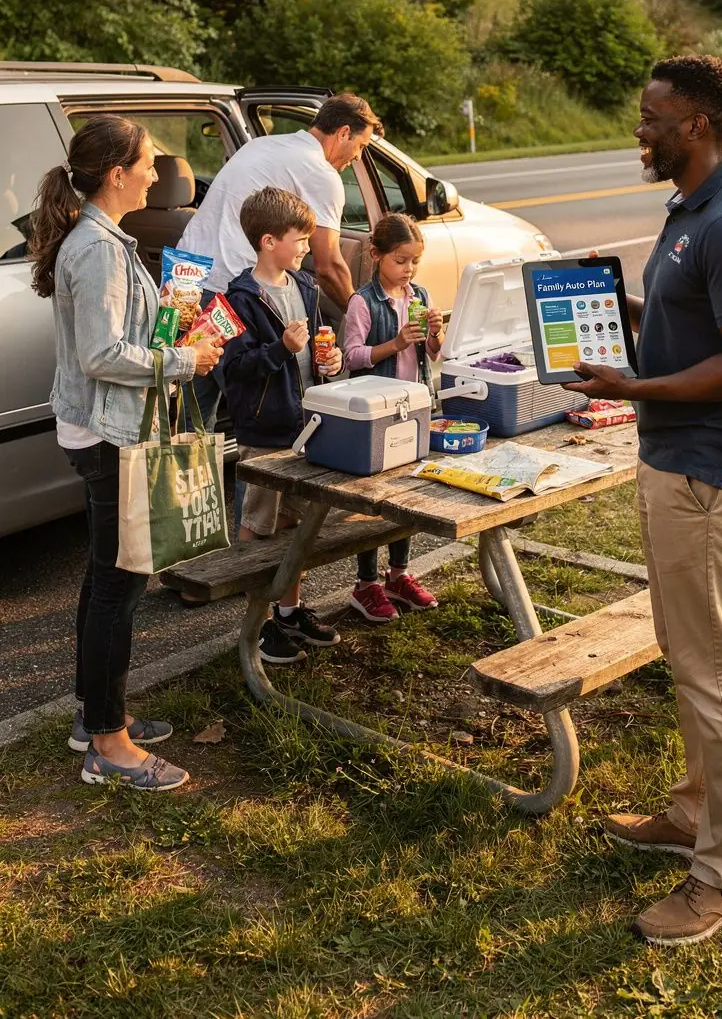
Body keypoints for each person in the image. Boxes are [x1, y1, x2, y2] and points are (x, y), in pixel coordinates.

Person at [566, 54, 722, 947]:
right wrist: (602, 304)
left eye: (652, 116)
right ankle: (695, 812)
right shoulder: (690, 211)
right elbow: (688, 319)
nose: (640, 128)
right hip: (676, 460)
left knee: (716, 674)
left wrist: (630, 390)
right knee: (687, 648)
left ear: (696, 125)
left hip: (710, 472)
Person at [30, 116, 223, 790]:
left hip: (105, 429)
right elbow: (102, 354)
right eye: (147, 164)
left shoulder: (104, 240)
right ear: (117, 174)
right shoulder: (98, 248)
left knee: (105, 575)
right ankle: (108, 746)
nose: (155, 174)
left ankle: (96, 716)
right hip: (109, 436)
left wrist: (178, 327)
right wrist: (181, 360)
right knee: (121, 582)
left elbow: (117, 335)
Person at [180, 92, 382, 431]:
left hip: (185, 283)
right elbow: (328, 265)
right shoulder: (322, 173)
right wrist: (363, 313)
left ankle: (182, 479)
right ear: (343, 132)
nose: (357, 158)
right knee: (259, 413)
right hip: (233, 295)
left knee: (191, 416)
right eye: (360, 147)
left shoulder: (262, 146)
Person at [221, 187, 344, 663]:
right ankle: (259, 625)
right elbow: (235, 369)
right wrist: (281, 350)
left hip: (304, 424)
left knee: (297, 523)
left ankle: (290, 613)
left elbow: (314, 357)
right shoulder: (241, 298)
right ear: (269, 240)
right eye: (300, 239)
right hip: (263, 431)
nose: (307, 248)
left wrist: (325, 361)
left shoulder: (305, 288)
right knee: (258, 523)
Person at [343, 213, 444, 623]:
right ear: (376, 255)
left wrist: (434, 333)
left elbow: (433, 354)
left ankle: (398, 574)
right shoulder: (362, 302)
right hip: (376, 410)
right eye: (401, 261)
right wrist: (394, 342)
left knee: (406, 495)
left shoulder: (418, 295)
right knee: (371, 501)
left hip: (413, 406)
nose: (408, 270)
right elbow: (352, 357)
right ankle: (366, 583)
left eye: (414, 261)